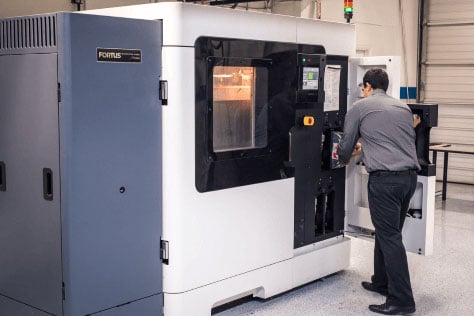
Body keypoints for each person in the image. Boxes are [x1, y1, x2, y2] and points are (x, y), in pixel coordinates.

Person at [337, 68, 420, 315]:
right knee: (386, 232)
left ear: (367, 87)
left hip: (385, 181)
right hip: (408, 179)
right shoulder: (403, 107)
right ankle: (381, 281)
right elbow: (395, 140)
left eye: (363, 88)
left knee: (390, 237)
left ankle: (402, 301)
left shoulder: (360, 107)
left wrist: (341, 157)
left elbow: (346, 145)